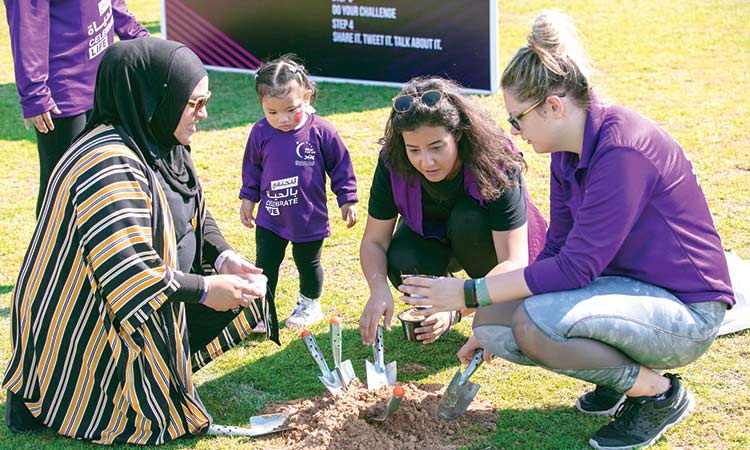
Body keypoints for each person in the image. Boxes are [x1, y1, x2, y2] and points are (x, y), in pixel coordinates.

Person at [399, 11, 734, 450]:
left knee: (537, 324)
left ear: (554, 107)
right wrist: (480, 316)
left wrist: (465, 293)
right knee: (496, 324)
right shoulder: (565, 152)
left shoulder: (623, 149)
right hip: (625, 292)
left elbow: (576, 268)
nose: (514, 133)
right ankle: (618, 378)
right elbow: (556, 250)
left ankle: (658, 395)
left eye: (517, 120)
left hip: (687, 313)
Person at [3, 38, 270, 445]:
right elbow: (128, 277)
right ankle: (83, 391)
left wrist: (223, 259)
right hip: (88, 325)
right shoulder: (106, 163)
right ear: (155, 99)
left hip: (138, 298)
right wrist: (205, 290)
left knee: (247, 292)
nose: (204, 114)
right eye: (194, 104)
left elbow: (195, 211)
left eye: (204, 101)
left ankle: (163, 358)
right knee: (209, 306)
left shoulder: (157, 138)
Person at [358, 76, 548, 346]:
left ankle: (480, 301)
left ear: (457, 133)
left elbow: (513, 261)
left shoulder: (496, 158)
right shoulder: (393, 160)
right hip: (432, 237)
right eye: (414, 150)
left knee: (467, 220)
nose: (426, 161)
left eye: (437, 147)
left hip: (484, 239)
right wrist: (377, 289)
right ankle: (442, 290)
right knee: (403, 260)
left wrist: (457, 307)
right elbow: (375, 241)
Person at [239, 55, 359, 338]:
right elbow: (252, 169)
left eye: (290, 110)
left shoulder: (321, 131)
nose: (281, 119)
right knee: (265, 264)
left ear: (305, 97)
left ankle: (309, 305)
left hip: (308, 215)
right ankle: (263, 312)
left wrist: (348, 198)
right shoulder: (260, 132)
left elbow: (341, 166)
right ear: (262, 106)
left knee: (308, 263)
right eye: (272, 112)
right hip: (271, 217)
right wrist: (248, 198)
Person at [4, 0, 149, 216]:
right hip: (63, 93)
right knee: (63, 188)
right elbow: (27, 24)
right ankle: (51, 248)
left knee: (103, 180)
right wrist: (35, 93)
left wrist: (143, 43)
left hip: (103, 83)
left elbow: (113, 5)